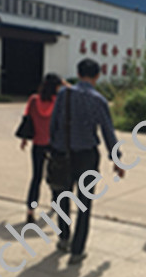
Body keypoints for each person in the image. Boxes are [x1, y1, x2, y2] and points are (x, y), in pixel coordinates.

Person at [49, 59, 125, 264]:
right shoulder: (98, 100)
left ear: (78, 72)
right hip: (86, 157)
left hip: (62, 153)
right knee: (84, 203)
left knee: (61, 198)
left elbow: (54, 123)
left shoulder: (64, 94)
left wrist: (53, 148)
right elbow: (108, 131)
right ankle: (77, 250)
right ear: (97, 76)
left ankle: (64, 237)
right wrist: (117, 159)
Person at [21, 73, 67, 224]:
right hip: (53, 144)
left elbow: (27, 119)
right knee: (55, 175)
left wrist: (24, 139)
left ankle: (30, 210)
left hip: (37, 144)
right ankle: (55, 203)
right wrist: (66, 84)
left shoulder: (33, 100)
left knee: (36, 177)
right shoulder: (58, 101)